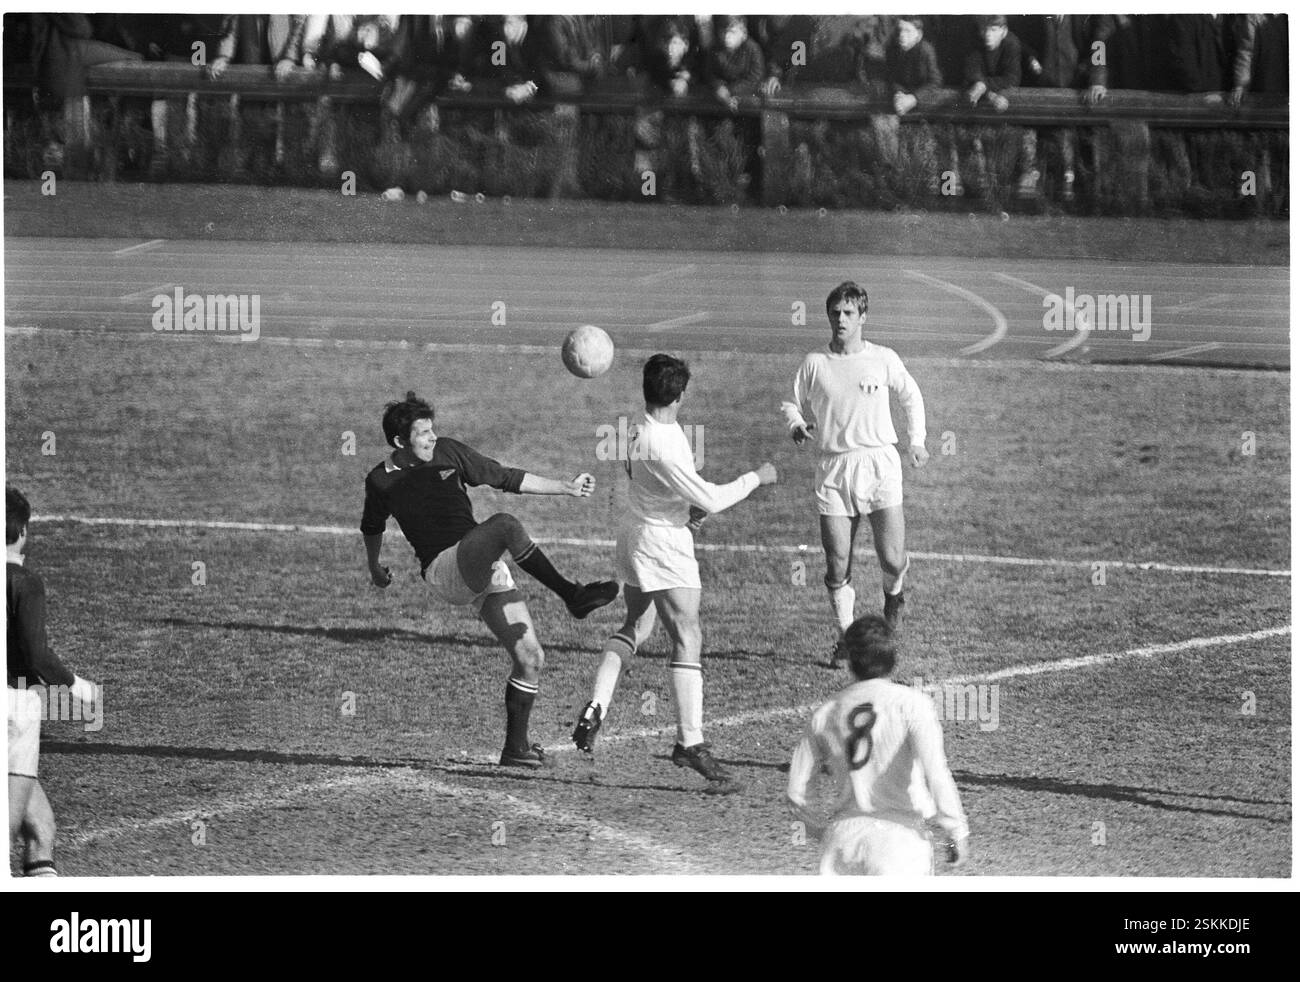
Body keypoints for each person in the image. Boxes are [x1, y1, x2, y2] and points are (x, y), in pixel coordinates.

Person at [360, 392, 619, 768]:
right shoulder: (381, 479)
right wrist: (373, 567)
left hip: (480, 559)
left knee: (531, 657)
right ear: (401, 442)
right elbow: (371, 526)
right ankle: (572, 595)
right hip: (445, 568)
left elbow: (503, 476)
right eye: (423, 434)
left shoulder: (448, 451)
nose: (432, 438)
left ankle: (515, 749)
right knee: (504, 524)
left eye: (433, 430)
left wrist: (565, 486)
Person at [571, 355, 776, 793]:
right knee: (688, 635)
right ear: (680, 395)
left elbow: (667, 488)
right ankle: (690, 742)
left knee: (636, 625)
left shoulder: (638, 430)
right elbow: (714, 497)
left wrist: (687, 508)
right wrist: (757, 477)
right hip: (662, 544)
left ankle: (597, 705)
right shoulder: (663, 440)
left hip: (635, 532)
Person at [780, 281, 927, 660]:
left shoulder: (883, 358)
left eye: (848, 313)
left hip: (879, 464)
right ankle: (846, 637)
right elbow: (789, 403)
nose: (840, 320)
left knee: (893, 559)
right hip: (834, 469)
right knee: (837, 561)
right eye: (834, 313)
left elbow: (910, 395)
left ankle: (893, 602)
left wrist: (917, 441)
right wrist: (796, 425)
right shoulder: (814, 363)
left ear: (863, 316)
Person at [787, 615, 969, 875]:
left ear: (850, 659)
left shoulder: (825, 713)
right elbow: (936, 773)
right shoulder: (912, 704)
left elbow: (796, 793)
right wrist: (956, 831)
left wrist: (823, 832)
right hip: (899, 844)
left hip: (841, 844)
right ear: (892, 657)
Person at [7, 486, 99, 877]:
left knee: (41, 830)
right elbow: (37, 656)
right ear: (23, 531)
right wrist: (79, 688)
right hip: (13, 711)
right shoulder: (25, 583)